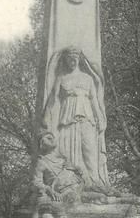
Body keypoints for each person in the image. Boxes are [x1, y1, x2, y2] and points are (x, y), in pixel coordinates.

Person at [42, 46, 109, 187]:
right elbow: (53, 98)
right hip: (67, 120)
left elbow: (95, 101)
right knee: (67, 154)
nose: (72, 61)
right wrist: (46, 117)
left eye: (75, 58)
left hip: (87, 118)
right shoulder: (61, 77)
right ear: (65, 60)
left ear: (79, 60)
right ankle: (71, 184)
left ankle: (94, 182)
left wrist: (100, 118)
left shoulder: (88, 78)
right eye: (69, 58)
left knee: (90, 151)